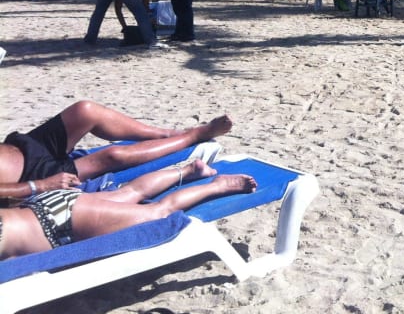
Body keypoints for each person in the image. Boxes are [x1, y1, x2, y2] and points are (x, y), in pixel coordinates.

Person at [0, 159, 256, 259]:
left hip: (58, 223)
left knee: (158, 212)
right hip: (44, 207)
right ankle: (188, 170)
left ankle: (217, 185)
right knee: (128, 194)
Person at [0, 100, 232, 200]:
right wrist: (38, 186)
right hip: (33, 176)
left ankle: (166, 134)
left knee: (86, 110)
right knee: (112, 156)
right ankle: (196, 135)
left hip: (22, 146)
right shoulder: (37, 180)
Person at [84, 0, 158, 48]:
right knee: (140, 13)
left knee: (98, 13)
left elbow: (118, 9)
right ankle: (151, 41)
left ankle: (90, 39)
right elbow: (145, 7)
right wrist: (148, 11)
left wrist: (125, 27)